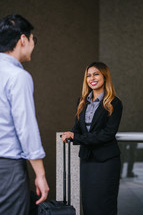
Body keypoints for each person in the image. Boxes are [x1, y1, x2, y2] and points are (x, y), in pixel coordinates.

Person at [0, 14, 49, 215]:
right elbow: (26, 127)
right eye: (32, 39)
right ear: (23, 39)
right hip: (7, 166)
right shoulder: (18, 76)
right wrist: (41, 174)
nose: (32, 45)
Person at [62, 62, 123, 215]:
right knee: (89, 203)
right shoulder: (82, 102)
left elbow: (108, 133)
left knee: (105, 203)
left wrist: (78, 137)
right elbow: (78, 127)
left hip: (107, 161)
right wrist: (71, 133)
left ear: (105, 76)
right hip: (88, 160)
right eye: (88, 75)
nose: (92, 78)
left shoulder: (114, 103)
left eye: (96, 74)